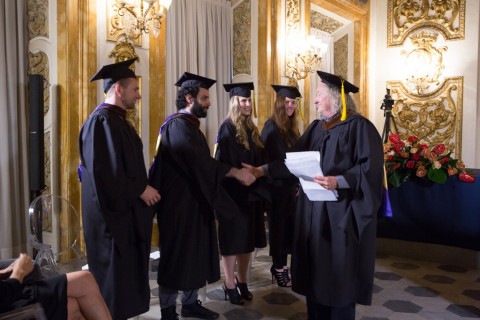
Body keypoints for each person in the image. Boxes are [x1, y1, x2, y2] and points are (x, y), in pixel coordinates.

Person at [244, 71, 384, 320]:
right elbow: (293, 161)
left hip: (340, 217)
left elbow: (369, 171)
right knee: (315, 278)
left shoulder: (359, 127)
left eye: (318, 95)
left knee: (337, 281)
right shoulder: (317, 129)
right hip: (313, 217)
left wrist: (339, 181)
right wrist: (261, 171)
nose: (316, 101)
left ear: (334, 97)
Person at [148, 72, 256, 320]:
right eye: (205, 97)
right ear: (189, 98)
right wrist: (234, 172)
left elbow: (202, 166)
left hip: (194, 203)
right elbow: (199, 163)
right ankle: (167, 310)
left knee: (194, 254)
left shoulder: (191, 127)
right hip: (177, 208)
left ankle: (189, 302)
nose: (209, 102)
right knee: (176, 257)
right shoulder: (177, 126)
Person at [78, 58, 161, 319]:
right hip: (111, 222)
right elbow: (107, 175)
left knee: (125, 285)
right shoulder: (100, 122)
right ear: (118, 89)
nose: (138, 95)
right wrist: (141, 189)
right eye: (135, 89)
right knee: (113, 287)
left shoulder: (119, 120)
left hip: (125, 217)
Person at [215, 82, 265, 305]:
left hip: (250, 194)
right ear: (235, 102)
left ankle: (242, 281)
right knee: (232, 242)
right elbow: (225, 163)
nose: (247, 104)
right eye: (243, 100)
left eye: (249, 100)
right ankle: (229, 282)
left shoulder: (252, 129)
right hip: (232, 195)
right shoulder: (227, 127)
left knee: (246, 242)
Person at [260, 84, 302, 287]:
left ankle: (283, 267)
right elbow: (273, 160)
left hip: (290, 188)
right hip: (276, 189)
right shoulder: (271, 127)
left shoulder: (292, 129)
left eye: (293, 102)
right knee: (278, 230)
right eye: (287, 102)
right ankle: (278, 267)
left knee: (289, 230)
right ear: (279, 103)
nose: (291, 105)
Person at [0, 253, 112, 320]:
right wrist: (19, 271)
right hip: (9, 298)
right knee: (84, 282)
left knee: (78, 300)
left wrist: (4, 271)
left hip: (10, 292)